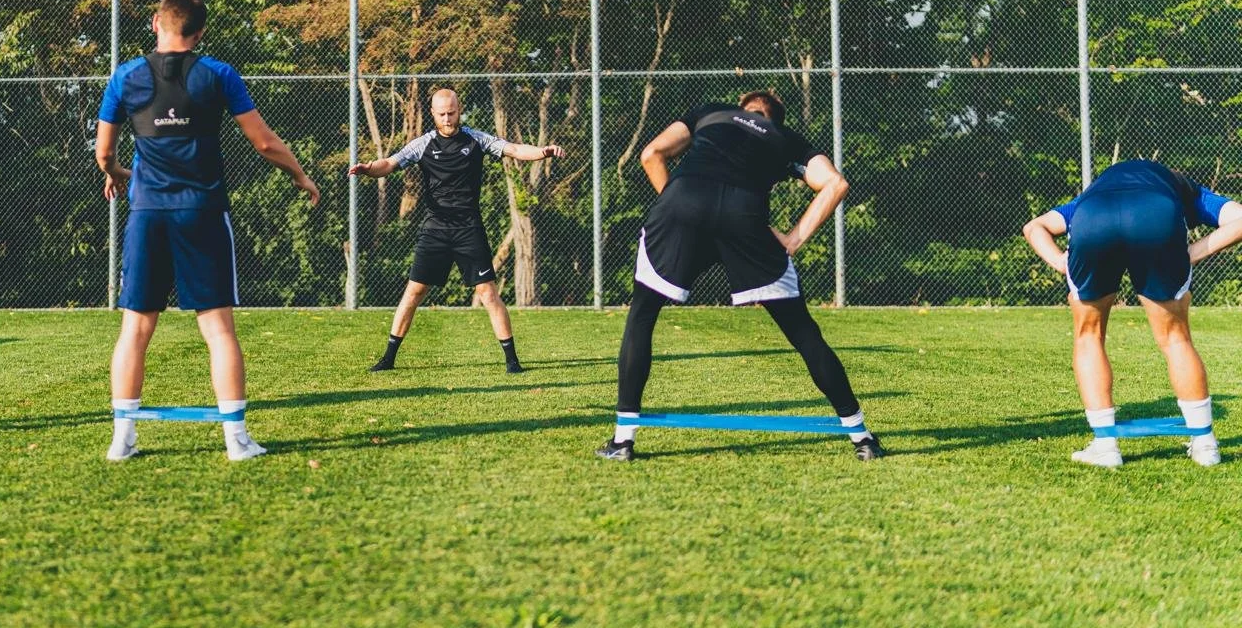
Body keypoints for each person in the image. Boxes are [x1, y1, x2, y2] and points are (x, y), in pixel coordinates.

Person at [595, 90, 882, 462]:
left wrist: (682, 204)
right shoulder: (787, 139)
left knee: (642, 315)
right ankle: (861, 437)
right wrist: (793, 239)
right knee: (802, 331)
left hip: (682, 203)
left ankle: (622, 441)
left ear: (742, 106)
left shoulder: (711, 112)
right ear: (773, 118)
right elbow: (835, 184)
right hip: (744, 217)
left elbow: (651, 154)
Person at [96, 0, 321, 462]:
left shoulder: (125, 76)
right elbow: (262, 142)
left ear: (156, 23)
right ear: (199, 35)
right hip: (202, 213)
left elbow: (103, 152)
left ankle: (122, 440)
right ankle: (236, 441)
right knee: (218, 329)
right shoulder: (218, 74)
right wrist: (300, 174)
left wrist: (116, 174)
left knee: (135, 328)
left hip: (147, 215)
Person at [1022, 158, 1242, 468]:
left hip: (1095, 217)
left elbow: (1034, 227)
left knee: (1089, 336)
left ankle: (1105, 445)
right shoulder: (1188, 191)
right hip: (1156, 218)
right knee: (1175, 337)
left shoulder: (1095, 192)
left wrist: (1061, 261)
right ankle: (1205, 444)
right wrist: (1196, 251)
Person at [349, 88, 564, 374]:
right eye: (442, 114)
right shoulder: (423, 144)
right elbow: (389, 163)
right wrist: (368, 169)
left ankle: (513, 362)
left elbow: (513, 149)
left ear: (458, 110)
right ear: (433, 114)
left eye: (452, 112)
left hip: (468, 229)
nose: (448, 119)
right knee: (414, 292)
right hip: (435, 229)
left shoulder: (476, 139)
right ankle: (388, 358)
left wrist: (543, 152)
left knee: (488, 293)